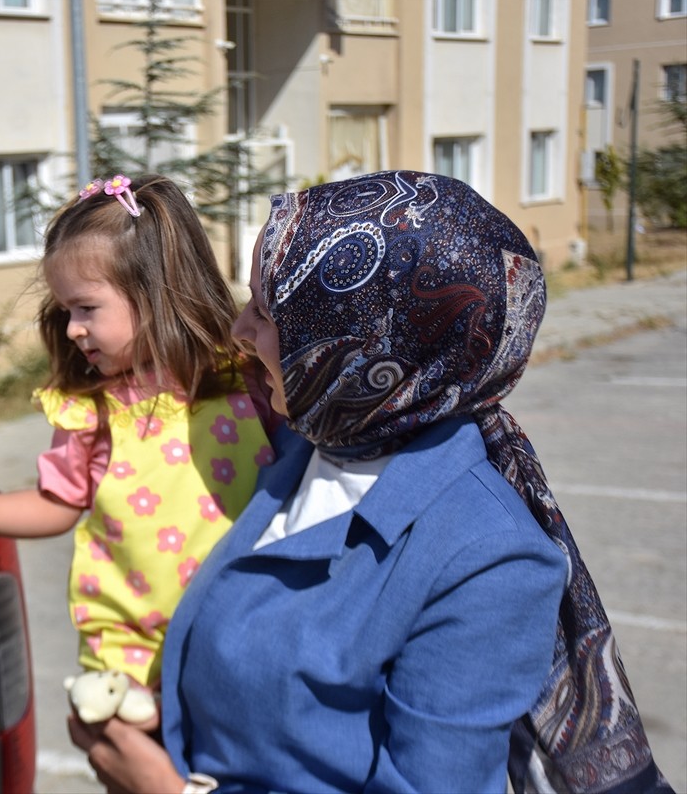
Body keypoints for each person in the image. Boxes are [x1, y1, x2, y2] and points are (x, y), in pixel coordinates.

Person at [69, 171, 670, 793]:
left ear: (360, 340)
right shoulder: (309, 442)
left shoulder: (488, 559)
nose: (239, 334)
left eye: (266, 313)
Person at [0, 174, 277, 706]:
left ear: (156, 293)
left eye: (86, 308)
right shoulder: (90, 409)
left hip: (236, 638)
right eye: (66, 311)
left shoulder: (252, 382)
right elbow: (57, 503)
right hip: (128, 658)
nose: (72, 328)